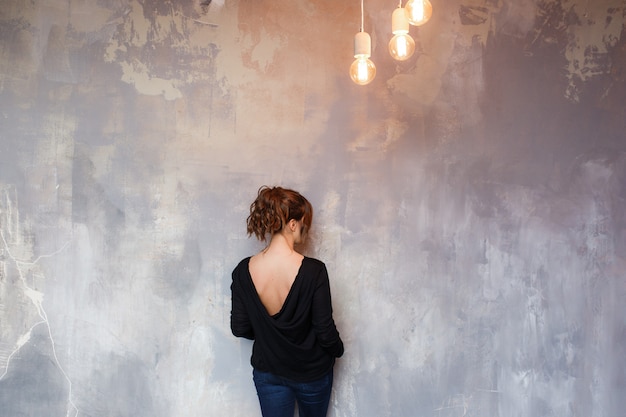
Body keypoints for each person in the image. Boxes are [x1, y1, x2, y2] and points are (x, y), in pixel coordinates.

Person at [230, 186, 344, 417]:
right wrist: (338, 350)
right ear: (293, 224)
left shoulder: (242, 271)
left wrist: (270, 333)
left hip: (268, 373)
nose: (306, 229)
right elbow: (324, 330)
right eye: (304, 222)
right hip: (312, 373)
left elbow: (240, 328)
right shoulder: (314, 271)